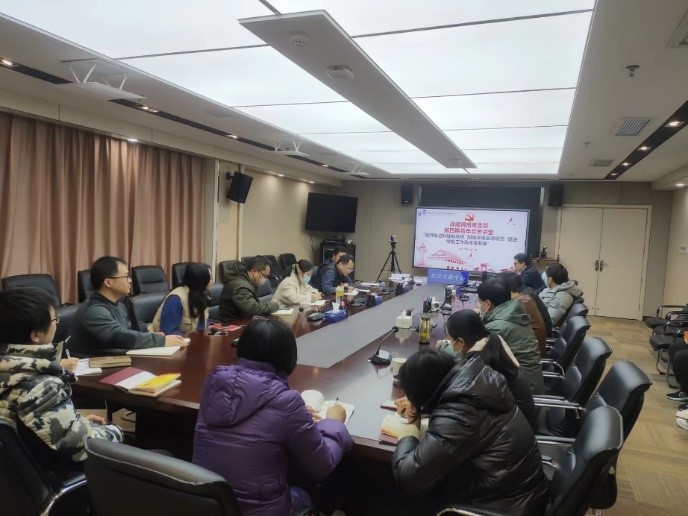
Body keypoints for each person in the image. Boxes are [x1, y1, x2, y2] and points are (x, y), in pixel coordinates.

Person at [193, 319, 353, 516]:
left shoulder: (213, 385)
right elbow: (323, 464)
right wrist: (334, 423)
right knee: (312, 493)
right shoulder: (286, 402)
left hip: (209, 506)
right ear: (288, 358)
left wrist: (296, 416)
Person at [391, 349, 548, 515]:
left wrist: (408, 432)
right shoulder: (477, 386)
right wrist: (423, 408)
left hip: (499, 507)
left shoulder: (461, 414)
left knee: (399, 496)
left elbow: (409, 478)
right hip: (520, 494)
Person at [0, 288, 123, 467]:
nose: (56, 324)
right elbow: (82, 449)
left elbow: (25, 422)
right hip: (55, 474)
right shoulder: (42, 386)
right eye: (54, 319)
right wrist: (116, 430)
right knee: (155, 455)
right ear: (36, 335)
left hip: (14, 472)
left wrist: (75, 423)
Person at [437, 309, 538, 431]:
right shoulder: (493, 339)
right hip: (520, 417)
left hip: (514, 428)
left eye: (450, 339)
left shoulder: (480, 367)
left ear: (461, 342)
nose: (449, 342)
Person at [68, 256, 186, 356]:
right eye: (125, 277)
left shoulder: (119, 305)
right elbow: (120, 338)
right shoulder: (94, 310)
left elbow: (125, 334)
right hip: (92, 369)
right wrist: (160, 340)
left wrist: (150, 336)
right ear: (108, 282)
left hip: (114, 361)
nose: (130, 280)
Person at [477, 278, 544, 394]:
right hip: (524, 383)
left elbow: (470, 354)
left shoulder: (498, 327)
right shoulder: (512, 313)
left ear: (487, 304)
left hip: (521, 393)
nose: (478, 305)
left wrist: (446, 345)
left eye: (478, 301)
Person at [148, 263, 211, 335]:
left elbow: (201, 325)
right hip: (168, 340)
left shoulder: (202, 296)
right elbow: (168, 332)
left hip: (194, 339)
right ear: (202, 282)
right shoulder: (175, 299)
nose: (212, 281)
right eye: (210, 278)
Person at [497, 272, 548, 355]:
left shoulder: (521, 302)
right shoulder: (525, 295)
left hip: (530, 353)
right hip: (532, 348)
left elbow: (500, 325)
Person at [218, 256, 279, 322]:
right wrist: (274, 305)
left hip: (242, 321)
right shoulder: (239, 286)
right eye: (264, 275)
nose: (265, 279)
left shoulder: (246, 281)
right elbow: (253, 309)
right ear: (254, 271)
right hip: (232, 324)